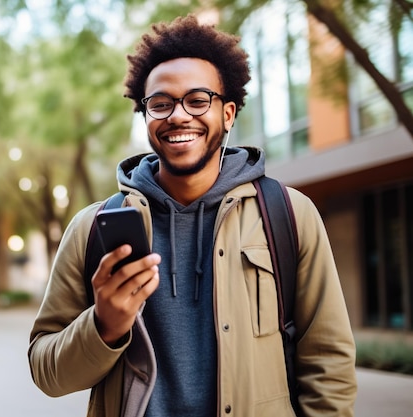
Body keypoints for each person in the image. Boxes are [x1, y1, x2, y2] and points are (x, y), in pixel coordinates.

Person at [28, 14, 357, 417]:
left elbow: (329, 364)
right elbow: (47, 372)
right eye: (160, 104)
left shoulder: (288, 214)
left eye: (198, 100)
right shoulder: (92, 227)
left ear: (229, 113)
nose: (179, 116)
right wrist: (103, 325)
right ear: (146, 116)